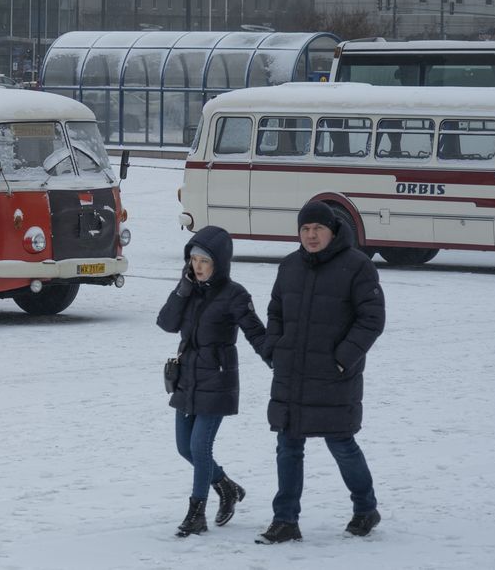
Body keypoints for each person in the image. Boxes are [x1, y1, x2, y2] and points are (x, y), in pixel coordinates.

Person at [255, 201, 386, 544]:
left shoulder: (357, 267)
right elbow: (276, 311)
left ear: (333, 230)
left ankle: (365, 508)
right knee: (288, 446)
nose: (311, 235)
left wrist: (342, 359)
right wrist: (274, 348)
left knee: (341, 444)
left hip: (334, 376)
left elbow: (371, 319)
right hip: (292, 374)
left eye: (318, 229)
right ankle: (285, 520)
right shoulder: (289, 266)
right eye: (305, 229)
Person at [157, 225, 266, 537]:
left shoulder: (235, 295)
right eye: (193, 260)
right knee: (184, 448)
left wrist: (278, 360)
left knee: (199, 446)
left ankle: (196, 513)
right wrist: (182, 289)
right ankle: (225, 486)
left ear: (219, 262)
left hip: (217, 379)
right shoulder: (189, 290)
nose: (197, 267)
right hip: (187, 377)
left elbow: (257, 333)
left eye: (204, 261)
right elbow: (166, 323)